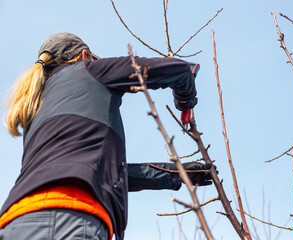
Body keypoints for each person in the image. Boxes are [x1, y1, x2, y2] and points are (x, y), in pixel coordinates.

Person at [0, 33, 213, 240]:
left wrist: (176, 173)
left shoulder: (33, 109)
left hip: (14, 218)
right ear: (84, 55)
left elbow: (103, 173)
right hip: (72, 216)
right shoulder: (87, 70)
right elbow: (181, 70)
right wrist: (185, 101)